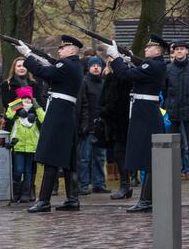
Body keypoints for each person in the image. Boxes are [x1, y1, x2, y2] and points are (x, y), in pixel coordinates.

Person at [15, 35, 84, 213]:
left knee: (51, 156)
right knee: (68, 159)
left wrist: (27, 56)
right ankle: (72, 198)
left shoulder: (67, 64)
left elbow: (45, 72)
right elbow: (49, 62)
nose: (59, 50)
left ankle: (44, 200)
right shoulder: (73, 65)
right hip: (65, 113)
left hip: (59, 113)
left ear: (71, 50)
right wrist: (33, 53)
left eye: (63, 48)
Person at [107, 34, 168, 213]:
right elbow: (138, 72)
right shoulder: (154, 65)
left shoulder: (154, 64)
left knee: (150, 160)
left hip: (146, 113)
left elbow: (126, 75)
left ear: (158, 51)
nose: (146, 49)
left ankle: (146, 200)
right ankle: (145, 199)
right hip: (144, 112)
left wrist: (117, 59)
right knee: (148, 158)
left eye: (150, 47)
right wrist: (128, 60)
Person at [164, 41, 189, 185]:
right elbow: (164, 88)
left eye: (182, 49)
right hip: (173, 110)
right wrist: (168, 105)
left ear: (187, 51)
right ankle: (174, 173)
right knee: (173, 144)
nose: (179, 51)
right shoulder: (168, 69)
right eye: (177, 49)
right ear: (173, 53)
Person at [99, 56, 133, 200]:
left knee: (121, 154)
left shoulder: (122, 78)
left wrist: (105, 110)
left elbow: (116, 100)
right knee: (118, 154)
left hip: (121, 121)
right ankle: (125, 184)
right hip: (113, 121)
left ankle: (126, 185)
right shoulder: (110, 77)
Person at [76, 56, 110, 195]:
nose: (96, 67)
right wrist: (83, 125)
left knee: (100, 157)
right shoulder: (83, 83)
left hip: (101, 126)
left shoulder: (104, 83)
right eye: (93, 65)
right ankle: (83, 184)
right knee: (84, 157)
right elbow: (82, 105)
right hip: (87, 126)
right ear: (88, 67)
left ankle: (99, 183)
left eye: (98, 65)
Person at [6, 86, 44, 202]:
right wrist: (17, 105)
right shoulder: (17, 112)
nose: (27, 100)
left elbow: (44, 118)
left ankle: (26, 193)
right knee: (18, 170)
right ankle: (16, 192)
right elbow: (9, 115)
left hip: (32, 148)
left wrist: (36, 106)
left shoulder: (35, 112)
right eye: (24, 98)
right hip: (18, 146)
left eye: (29, 98)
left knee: (28, 171)